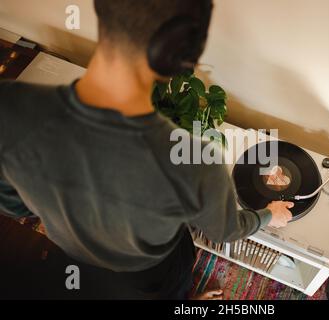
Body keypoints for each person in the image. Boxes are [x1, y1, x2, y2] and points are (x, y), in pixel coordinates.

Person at [0, 0, 294, 299]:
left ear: (101, 11)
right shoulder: (197, 164)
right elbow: (226, 232)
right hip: (151, 276)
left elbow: (11, 202)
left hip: (74, 258)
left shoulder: (8, 104)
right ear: (185, 61)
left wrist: (58, 208)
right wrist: (270, 213)